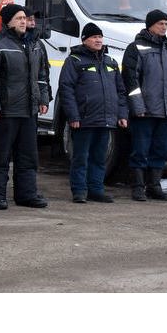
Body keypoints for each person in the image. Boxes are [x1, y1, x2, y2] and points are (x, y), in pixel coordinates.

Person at [0, 3, 50, 210]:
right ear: (8, 21)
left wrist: (43, 99)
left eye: (24, 18)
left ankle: (26, 194)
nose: (23, 21)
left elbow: (42, 76)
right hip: (5, 111)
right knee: (0, 156)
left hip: (29, 110)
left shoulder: (36, 44)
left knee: (28, 156)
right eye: (19, 18)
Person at [122, 9, 167, 201]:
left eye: (166, 24)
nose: (164, 27)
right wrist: (138, 107)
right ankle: (138, 187)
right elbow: (130, 80)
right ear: (150, 25)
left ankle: (154, 186)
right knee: (140, 150)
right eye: (160, 23)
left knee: (161, 150)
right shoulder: (136, 48)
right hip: (145, 112)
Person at [58, 23, 128, 203]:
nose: (98, 40)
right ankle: (79, 191)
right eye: (94, 37)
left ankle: (96, 189)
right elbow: (66, 90)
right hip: (84, 119)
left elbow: (120, 91)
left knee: (99, 157)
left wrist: (122, 114)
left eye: (100, 37)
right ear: (84, 40)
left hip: (106, 119)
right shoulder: (74, 61)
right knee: (81, 157)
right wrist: (73, 116)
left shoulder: (110, 62)